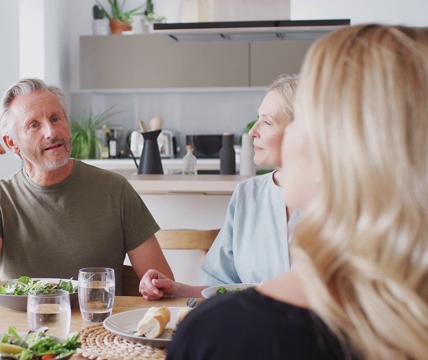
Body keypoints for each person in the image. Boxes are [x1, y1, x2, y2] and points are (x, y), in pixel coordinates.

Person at [168, 24, 428, 359]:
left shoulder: (218, 336)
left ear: (342, 143)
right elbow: (218, 279)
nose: (253, 134)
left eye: (307, 119)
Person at [0, 78, 173, 293]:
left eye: (56, 119)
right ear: (11, 143)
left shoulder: (115, 190)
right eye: (34, 125)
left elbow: (164, 284)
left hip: (96, 329)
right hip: (25, 332)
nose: (51, 132)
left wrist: (152, 289)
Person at [139, 74, 298, 300]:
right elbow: (220, 286)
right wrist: (176, 289)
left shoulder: (346, 201)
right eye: (257, 118)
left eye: (267, 122)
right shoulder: (247, 195)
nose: (253, 131)